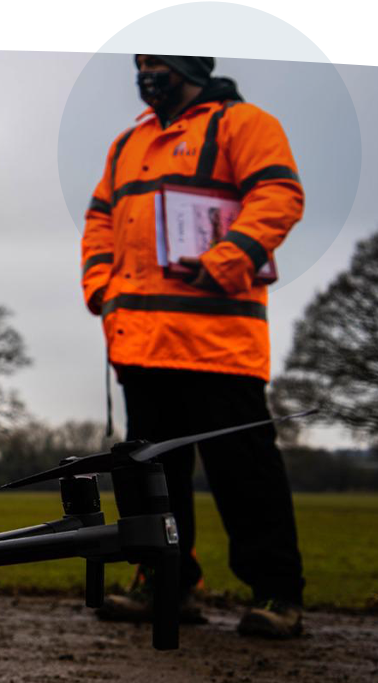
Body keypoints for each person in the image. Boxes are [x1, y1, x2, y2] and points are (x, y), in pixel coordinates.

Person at [80, 55, 306, 638]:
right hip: (140, 342)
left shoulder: (244, 124)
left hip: (217, 343)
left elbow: (280, 195)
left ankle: (278, 595)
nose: (146, 73)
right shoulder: (128, 142)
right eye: (141, 63)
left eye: (158, 63)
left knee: (245, 474)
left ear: (189, 66)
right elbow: (100, 218)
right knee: (149, 479)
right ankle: (165, 583)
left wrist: (226, 260)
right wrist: (100, 287)